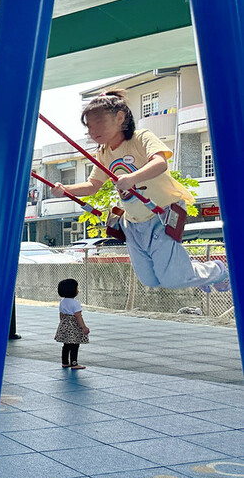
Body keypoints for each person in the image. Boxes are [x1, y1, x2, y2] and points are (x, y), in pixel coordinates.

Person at [54, 90, 229, 292]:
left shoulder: (141, 138)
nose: (92, 131)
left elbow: (160, 163)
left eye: (98, 122)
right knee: (150, 280)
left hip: (162, 212)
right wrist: (65, 189)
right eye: (89, 126)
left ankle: (216, 270)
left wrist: (132, 178)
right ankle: (193, 273)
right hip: (133, 222)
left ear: (120, 117)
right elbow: (93, 185)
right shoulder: (103, 153)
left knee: (173, 279)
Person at [55, 278, 89, 369]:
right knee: (75, 344)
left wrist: (62, 324)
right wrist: (84, 327)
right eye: (77, 288)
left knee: (66, 344)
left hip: (65, 323)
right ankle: (74, 363)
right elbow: (78, 315)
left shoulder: (62, 302)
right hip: (73, 326)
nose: (78, 290)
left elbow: (61, 314)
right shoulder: (75, 303)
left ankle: (65, 362)